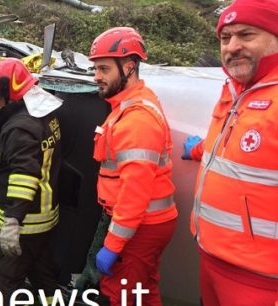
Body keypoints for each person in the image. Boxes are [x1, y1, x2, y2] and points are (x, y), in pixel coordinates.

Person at [182, 0, 278, 305]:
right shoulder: (237, 91)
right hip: (212, 257)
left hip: (260, 280)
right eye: (226, 38)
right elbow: (236, 151)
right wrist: (199, 149)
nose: (233, 46)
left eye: (246, 35)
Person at [89, 27, 177, 305]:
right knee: (145, 292)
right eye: (96, 69)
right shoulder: (129, 105)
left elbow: (134, 194)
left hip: (141, 226)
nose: (96, 77)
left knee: (122, 296)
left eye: (104, 69)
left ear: (129, 68)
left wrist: (113, 245)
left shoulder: (136, 120)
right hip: (146, 224)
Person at [0, 58, 62, 303]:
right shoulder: (46, 116)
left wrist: (12, 222)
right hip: (45, 218)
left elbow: (24, 175)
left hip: (25, 224)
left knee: (8, 280)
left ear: (7, 93)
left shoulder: (19, 127)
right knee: (42, 273)